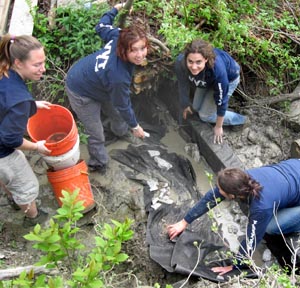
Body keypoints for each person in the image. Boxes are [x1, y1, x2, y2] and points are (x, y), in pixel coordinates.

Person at [167, 159, 300, 275]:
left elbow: (252, 239)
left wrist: (235, 265)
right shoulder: (242, 179)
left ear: (233, 196)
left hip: (293, 177)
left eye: (221, 191)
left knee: (269, 228)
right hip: (294, 167)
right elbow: (211, 198)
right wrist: (185, 221)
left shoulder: (261, 207)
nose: (218, 192)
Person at [65, 3, 149, 175]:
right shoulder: (118, 76)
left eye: (142, 48)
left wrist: (115, 9)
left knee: (118, 115)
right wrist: (135, 126)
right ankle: (98, 162)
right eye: (134, 51)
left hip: (98, 80)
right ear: (123, 49)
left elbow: (101, 25)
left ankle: (120, 132)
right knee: (96, 133)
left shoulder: (117, 35)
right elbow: (123, 104)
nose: (140, 55)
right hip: (80, 89)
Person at [0, 34, 52, 227]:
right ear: (18, 63)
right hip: (2, 153)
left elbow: (5, 102)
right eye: (37, 64)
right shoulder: (19, 100)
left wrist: (33, 104)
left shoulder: (3, 69)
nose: (43, 69)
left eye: (43, 62)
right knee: (26, 185)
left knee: (6, 177)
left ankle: (13, 198)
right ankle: (32, 217)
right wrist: (37, 146)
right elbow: (11, 140)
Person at [175, 39, 247, 145]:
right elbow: (183, 84)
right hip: (205, 80)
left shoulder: (218, 71)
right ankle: (208, 108)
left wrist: (218, 126)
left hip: (228, 78)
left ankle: (242, 120)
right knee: (195, 107)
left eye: (198, 62)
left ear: (206, 59)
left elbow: (221, 101)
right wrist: (185, 104)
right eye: (190, 62)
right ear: (186, 59)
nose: (194, 67)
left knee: (205, 116)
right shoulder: (180, 63)